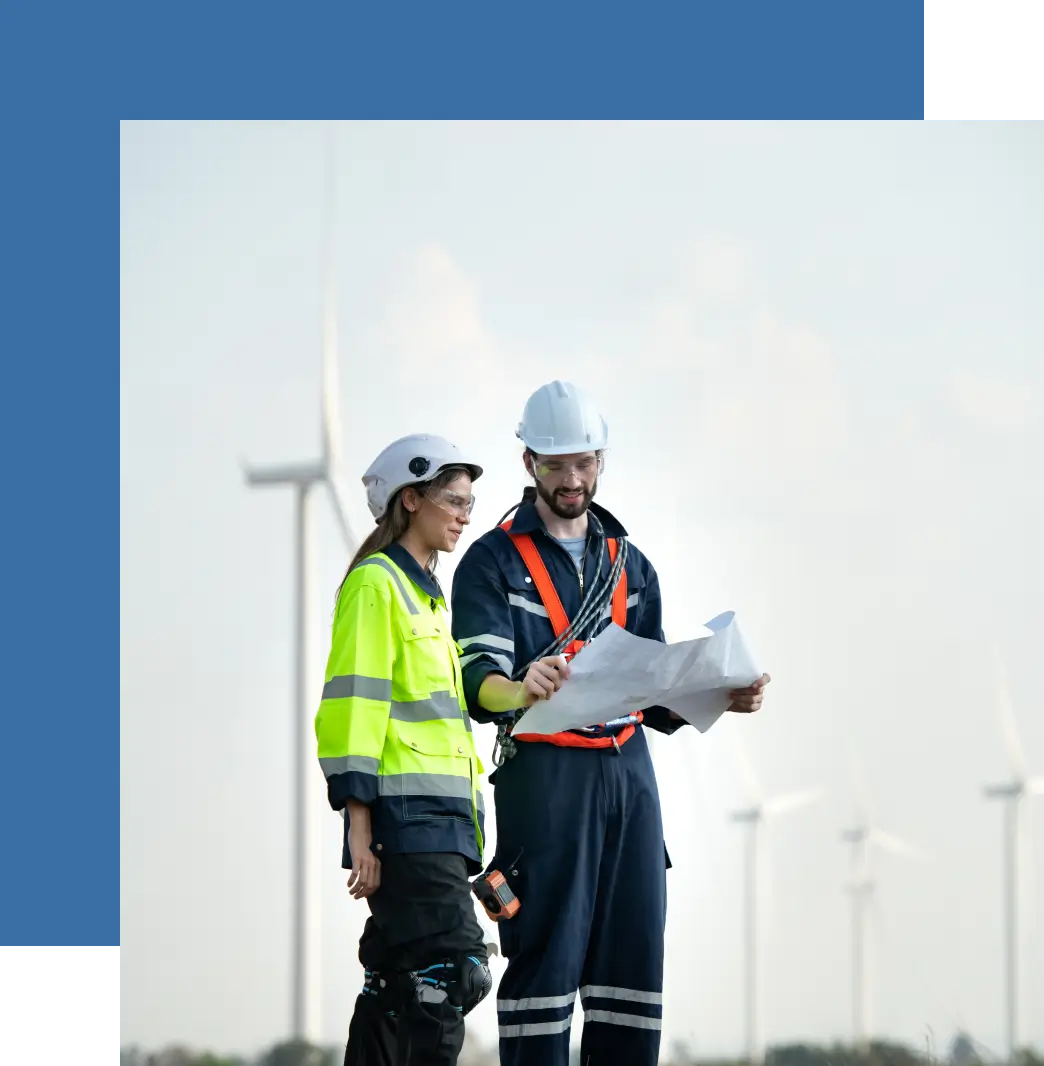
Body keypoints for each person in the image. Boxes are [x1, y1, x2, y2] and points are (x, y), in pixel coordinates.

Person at [449, 381, 771, 1066]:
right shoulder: (491, 561)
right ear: (529, 462)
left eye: (585, 462)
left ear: (601, 460)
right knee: (545, 969)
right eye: (557, 464)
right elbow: (477, 684)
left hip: (630, 777)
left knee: (634, 968)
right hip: (546, 778)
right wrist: (520, 685)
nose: (573, 479)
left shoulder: (632, 565)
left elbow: (652, 688)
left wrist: (719, 695)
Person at [315, 434, 495, 1066]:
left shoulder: (429, 597)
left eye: (470, 503)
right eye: (454, 501)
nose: (465, 516)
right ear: (411, 500)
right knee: (454, 970)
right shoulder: (377, 584)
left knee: (399, 985)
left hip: (443, 824)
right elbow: (353, 709)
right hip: (407, 824)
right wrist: (360, 832)